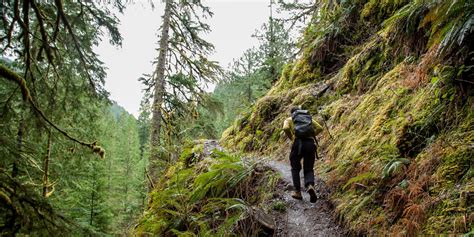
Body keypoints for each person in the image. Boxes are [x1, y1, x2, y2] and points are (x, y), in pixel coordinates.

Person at [282, 106, 323, 203]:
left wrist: (292, 137)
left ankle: (297, 192)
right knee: (309, 168)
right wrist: (311, 135)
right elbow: (320, 128)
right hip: (310, 143)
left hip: (298, 144)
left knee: (295, 168)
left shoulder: (289, 119)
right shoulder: (307, 118)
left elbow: (285, 128)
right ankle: (310, 185)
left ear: (292, 113)